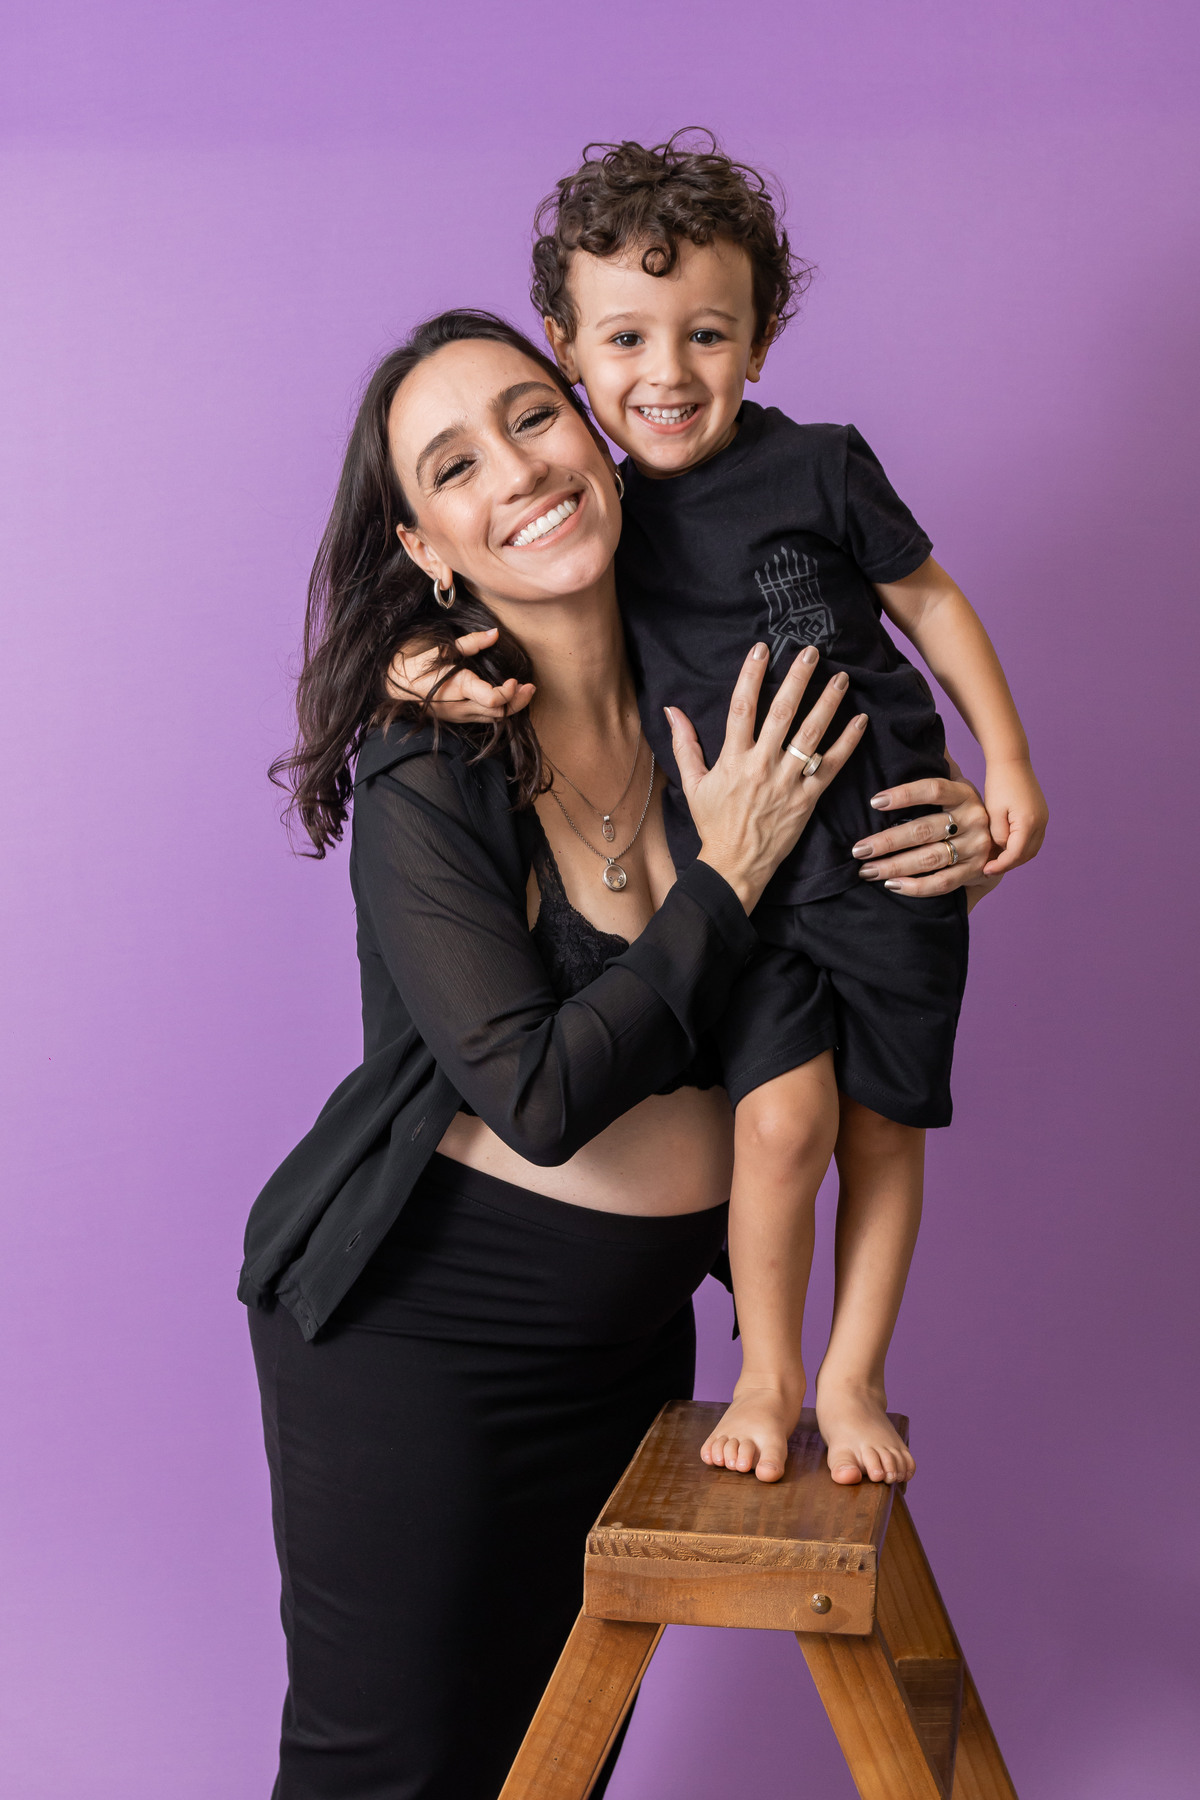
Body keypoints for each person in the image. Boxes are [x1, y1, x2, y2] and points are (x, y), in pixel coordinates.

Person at [240, 308, 996, 1799]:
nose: (516, 468)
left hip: (636, 1346)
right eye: (454, 465)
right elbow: (539, 1095)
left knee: (556, 1771)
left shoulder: (716, 685)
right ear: (427, 547)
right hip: (419, 1344)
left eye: (532, 417)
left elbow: (857, 895)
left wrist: (948, 832)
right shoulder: (431, 761)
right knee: (388, 1774)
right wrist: (727, 874)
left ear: (595, 430)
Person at [393, 130, 1045, 1490]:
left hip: (887, 852)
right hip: (747, 898)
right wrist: (410, 660)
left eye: (707, 334)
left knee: (883, 1129)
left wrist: (1009, 767)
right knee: (783, 1124)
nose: (669, 373)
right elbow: (491, 602)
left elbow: (930, 600)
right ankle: (768, 1372)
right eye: (627, 340)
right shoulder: (603, 521)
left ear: (759, 340)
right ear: (572, 353)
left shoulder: (822, 466)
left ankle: (855, 1377)